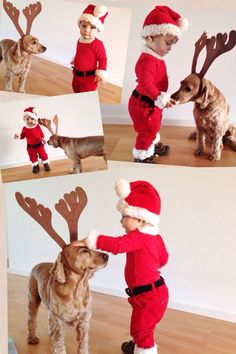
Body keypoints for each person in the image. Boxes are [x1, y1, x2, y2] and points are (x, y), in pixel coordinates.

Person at [73, 178, 169, 354]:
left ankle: (144, 348)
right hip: (156, 292)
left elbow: (117, 245)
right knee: (141, 324)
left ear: (141, 220)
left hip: (149, 295)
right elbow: (163, 259)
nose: (121, 221)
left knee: (142, 329)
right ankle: (137, 344)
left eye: (124, 216)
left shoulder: (138, 237)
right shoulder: (155, 237)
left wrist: (89, 241)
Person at [129, 6, 189, 163]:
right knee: (147, 130)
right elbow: (145, 84)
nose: (170, 49)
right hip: (143, 105)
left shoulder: (155, 57)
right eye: (168, 43)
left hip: (151, 103)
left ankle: (152, 145)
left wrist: (163, 98)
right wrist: (159, 97)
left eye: (172, 45)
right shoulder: (149, 61)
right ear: (150, 36)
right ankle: (142, 155)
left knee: (154, 126)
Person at [71, 4, 108, 93]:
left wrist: (100, 72)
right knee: (76, 90)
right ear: (79, 26)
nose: (87, 30)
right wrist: (75, 59)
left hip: (89, 79)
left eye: (92, 27)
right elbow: (79, 53)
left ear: (98, 30)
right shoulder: (79, 40)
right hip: (76, 76)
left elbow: (103, 59)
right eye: (84, 26)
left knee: (86, 95)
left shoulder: (97, 44)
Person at [14, 107, 50, 174]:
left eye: (32, 119)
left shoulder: (37, 126)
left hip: (39, 145)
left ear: (35, 119)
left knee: (43, 154)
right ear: (24, 119)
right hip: (30, 147)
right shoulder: (25, 128)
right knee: (32, 157)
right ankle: (35, 166)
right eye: (27, 119)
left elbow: (42, 134)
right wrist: (18, 136)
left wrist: (43, 139)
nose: (30, 120)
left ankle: (46, 164)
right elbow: (22, 136)